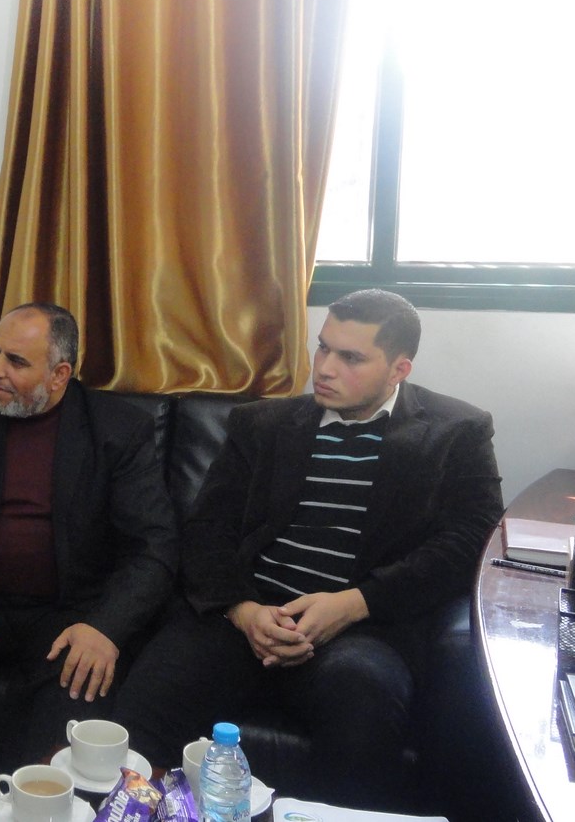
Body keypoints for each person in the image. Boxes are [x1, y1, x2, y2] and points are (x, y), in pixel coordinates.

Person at [115, 289, 503, 810]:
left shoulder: (457, 432)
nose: (325, 368)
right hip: (247, 618)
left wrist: (356, 603)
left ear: (398, 369)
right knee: (152, 694)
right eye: (323, 348)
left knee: (363, 699)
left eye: (351, 357)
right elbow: (207, 527)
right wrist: (243, 610)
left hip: (360, 630)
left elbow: (472, 541)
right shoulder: (263, 425)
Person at [0, 302, 178, 814]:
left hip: (71, 615)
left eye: (16, 361)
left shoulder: (118, 430)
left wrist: (105, 628)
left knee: (78, 690)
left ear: (59, 374)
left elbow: (154, 547)